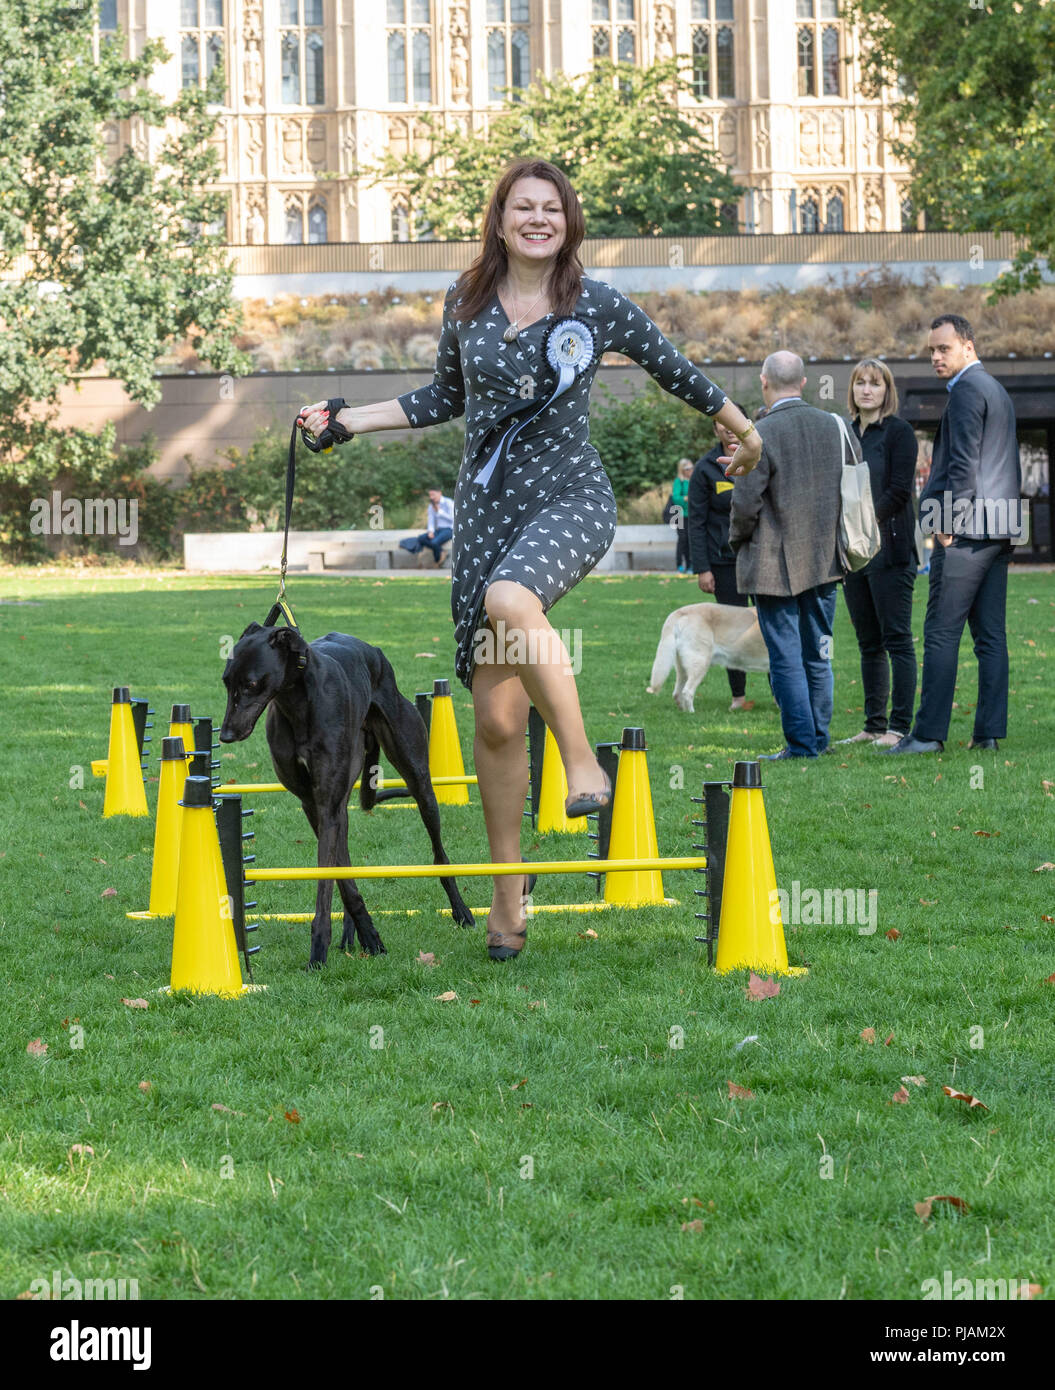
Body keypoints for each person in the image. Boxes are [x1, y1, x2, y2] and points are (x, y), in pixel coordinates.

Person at [297, 158, 761, 959]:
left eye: (552, 208)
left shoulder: (596, 304)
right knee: (498, 719)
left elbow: (672, 367)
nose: (538, 219)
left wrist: (745, 430)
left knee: (515, 600)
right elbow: (441, 397)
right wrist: (345, 419)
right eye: (523, 207)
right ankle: (508, 899)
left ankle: (584, 768)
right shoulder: (466, 300)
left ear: (568, 221)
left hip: (568, 499)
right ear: (501, 219)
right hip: (485, 514)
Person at [880, 314, 1021, 755]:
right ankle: (988, 736)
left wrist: (948, 522)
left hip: (964, 533)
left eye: (944, 348)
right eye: (932, 351)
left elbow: (963, 465)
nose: (936, 357)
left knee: (942, 631)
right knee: (991, 637)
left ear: (968, 346)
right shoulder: (996, 390)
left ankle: (927, 735)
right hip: (998, 529)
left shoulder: (965, 391)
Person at [729, 351, 852, 759]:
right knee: (818, 653)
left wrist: (737, 540)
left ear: (764, 381)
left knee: (785, 658)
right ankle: (818, 737)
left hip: (773, 563)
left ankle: (802, 744)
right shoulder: (836, 426)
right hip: (825, 558)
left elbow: (745, 504)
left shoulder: (758, 433)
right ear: (803, 382)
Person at [838, 359, 919, 747]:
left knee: (897, 639)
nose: (867, 390)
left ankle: (900, 727)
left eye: (875, 384)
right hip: (854, 553)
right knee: (868, 643)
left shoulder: (900, 433)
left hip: (891, 550)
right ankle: (873, 724)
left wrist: (866, 521)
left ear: (887, 391)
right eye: (860, 383)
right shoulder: (846, 432)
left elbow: (900, 489)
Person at [688, 406, 756, 712]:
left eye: (734, 422)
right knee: (734, 629)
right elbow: (696, 522)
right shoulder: (705, 468)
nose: (729, 428)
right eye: (722, 423)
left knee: (772, 624)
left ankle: (782, 691)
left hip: (761, 558)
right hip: (724, 563)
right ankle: (738, 697)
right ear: (716, 427)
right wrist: (703, 567)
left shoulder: (759, 457)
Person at [399, 487, 454, 566]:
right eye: (430, 495)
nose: (431, 497)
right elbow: (431, 521)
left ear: (439, 493)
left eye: (433, 495)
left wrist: (440, 512)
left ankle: (437, 561)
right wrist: (430, 531)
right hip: (438, 530)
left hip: (449, 529)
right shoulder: (432, 505)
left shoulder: (449, 502)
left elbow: (453, 518)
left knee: (434, 542)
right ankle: (441, 552)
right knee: (421, 538)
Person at [666, 458, 694, 571]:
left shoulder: (694, 480)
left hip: (692, 514)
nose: (690, 470)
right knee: (682, 539)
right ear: (682, 470)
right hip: (679, 515)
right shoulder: (679, 481)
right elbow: (676, 498)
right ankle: (679, 564)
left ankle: (690, 565)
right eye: (687, 469)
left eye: (692, 467)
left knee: (690, 540)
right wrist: (687, 498)